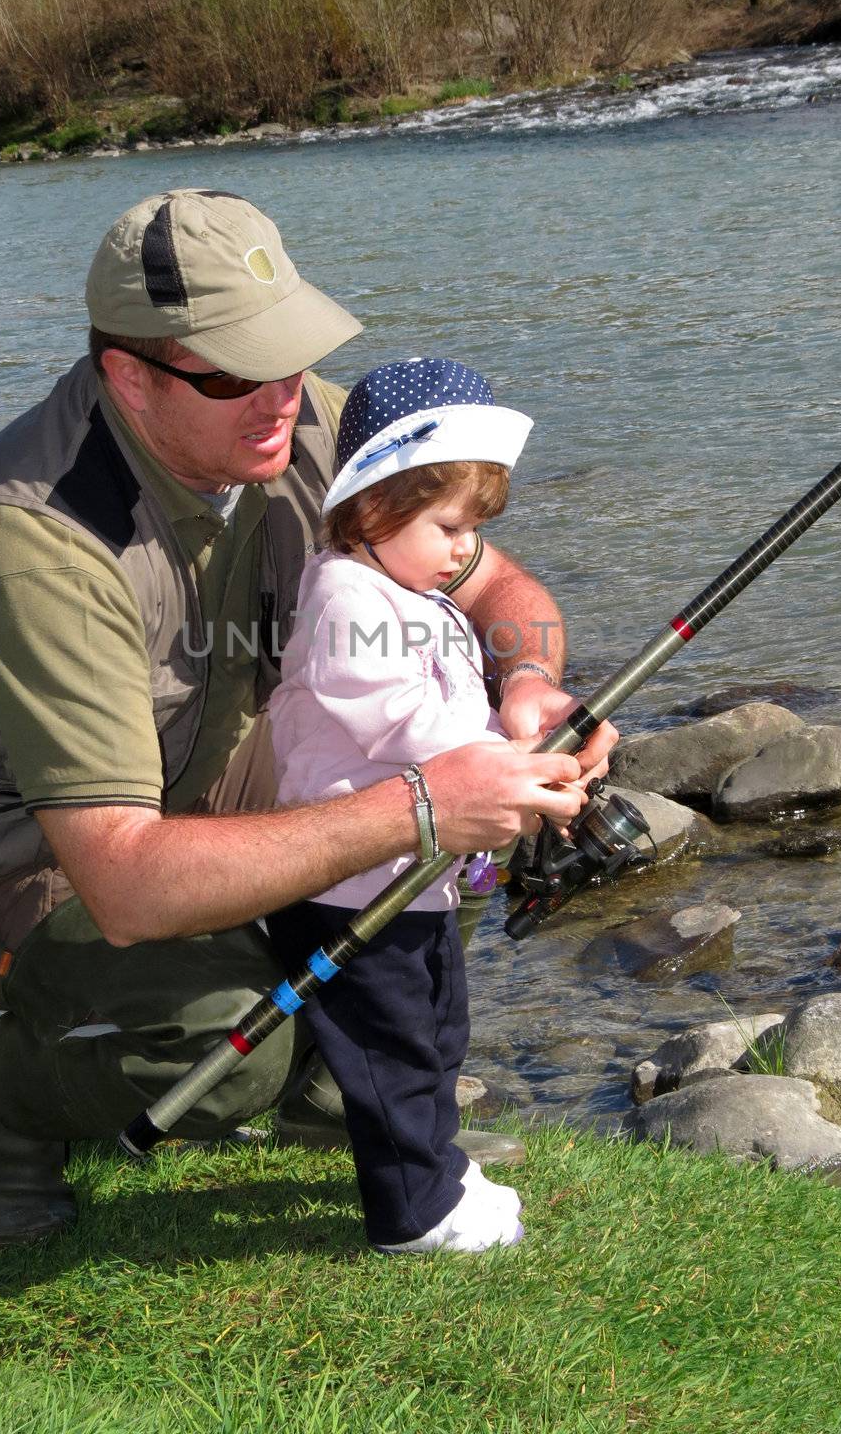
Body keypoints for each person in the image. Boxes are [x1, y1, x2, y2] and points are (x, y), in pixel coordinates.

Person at [0, 189, 617, 1250]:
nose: (283, 396)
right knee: (223, 1039)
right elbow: (126, 880)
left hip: (197, 760)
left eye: (290, 352)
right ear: (130, 378)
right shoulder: (35, 546)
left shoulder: (308, 416)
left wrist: (530, 691)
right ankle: (5, 1105)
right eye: (238, 370)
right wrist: (425, 805)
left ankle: (344, 1085)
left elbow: (497, 589)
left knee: (444, 785)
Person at [267, 357, 535, 1254]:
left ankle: (440, 1172)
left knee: (437, 1033)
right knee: (386, 1055)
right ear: (375, 509)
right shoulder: (345, 595)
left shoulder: (410, 589)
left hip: (414, 876)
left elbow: (453, 706)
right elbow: (400, 717)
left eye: (474, 528)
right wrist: (503, 757)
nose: (467, 549)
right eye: (449, 525)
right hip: (351, 881)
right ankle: (410, 1217)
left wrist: (512, 723)